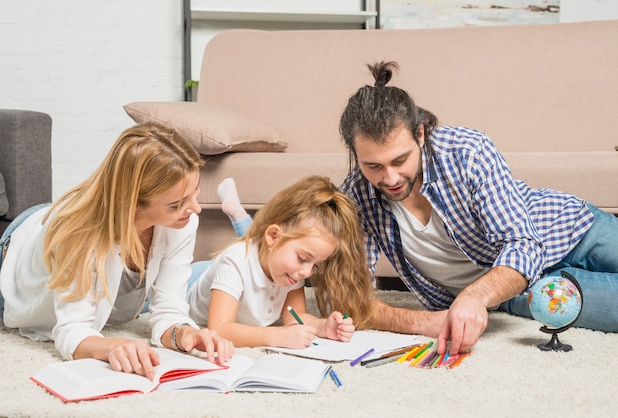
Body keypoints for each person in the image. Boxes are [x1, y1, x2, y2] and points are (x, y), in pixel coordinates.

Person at [338, 61, 618, 356]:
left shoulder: (467, 151)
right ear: (356, 155)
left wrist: (473, 295)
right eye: (373, 166)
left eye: (400, 161)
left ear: (420, 135)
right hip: (513, 291)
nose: (390, 178)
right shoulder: (355, 196)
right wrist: (424, 321)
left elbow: (523, 244)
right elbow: (349, 298)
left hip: (571, 228)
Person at [0, 122, 234, 380]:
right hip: (15, 259)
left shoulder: (182, 223)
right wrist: (110, 347)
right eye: (176, 204)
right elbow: (72, 329)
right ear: (133, 202)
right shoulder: (78, 233)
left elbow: (169, 310)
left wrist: (186, 334)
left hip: (71, 230)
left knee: (211, 271)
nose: (196, 208)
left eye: (195, 190)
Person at [186, 175, 376, 348]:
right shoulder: (233, 263)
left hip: (256, 260)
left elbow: (295, 316)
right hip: (191, 280)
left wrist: (323, 326)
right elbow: (220, 329)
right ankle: (238, 215)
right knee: (248, 251)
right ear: (274, 235)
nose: (307, 272)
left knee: (260, 249)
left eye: (316, 265)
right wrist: (276, 336)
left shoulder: (293, 271)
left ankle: (239, 216)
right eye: (303, 258)